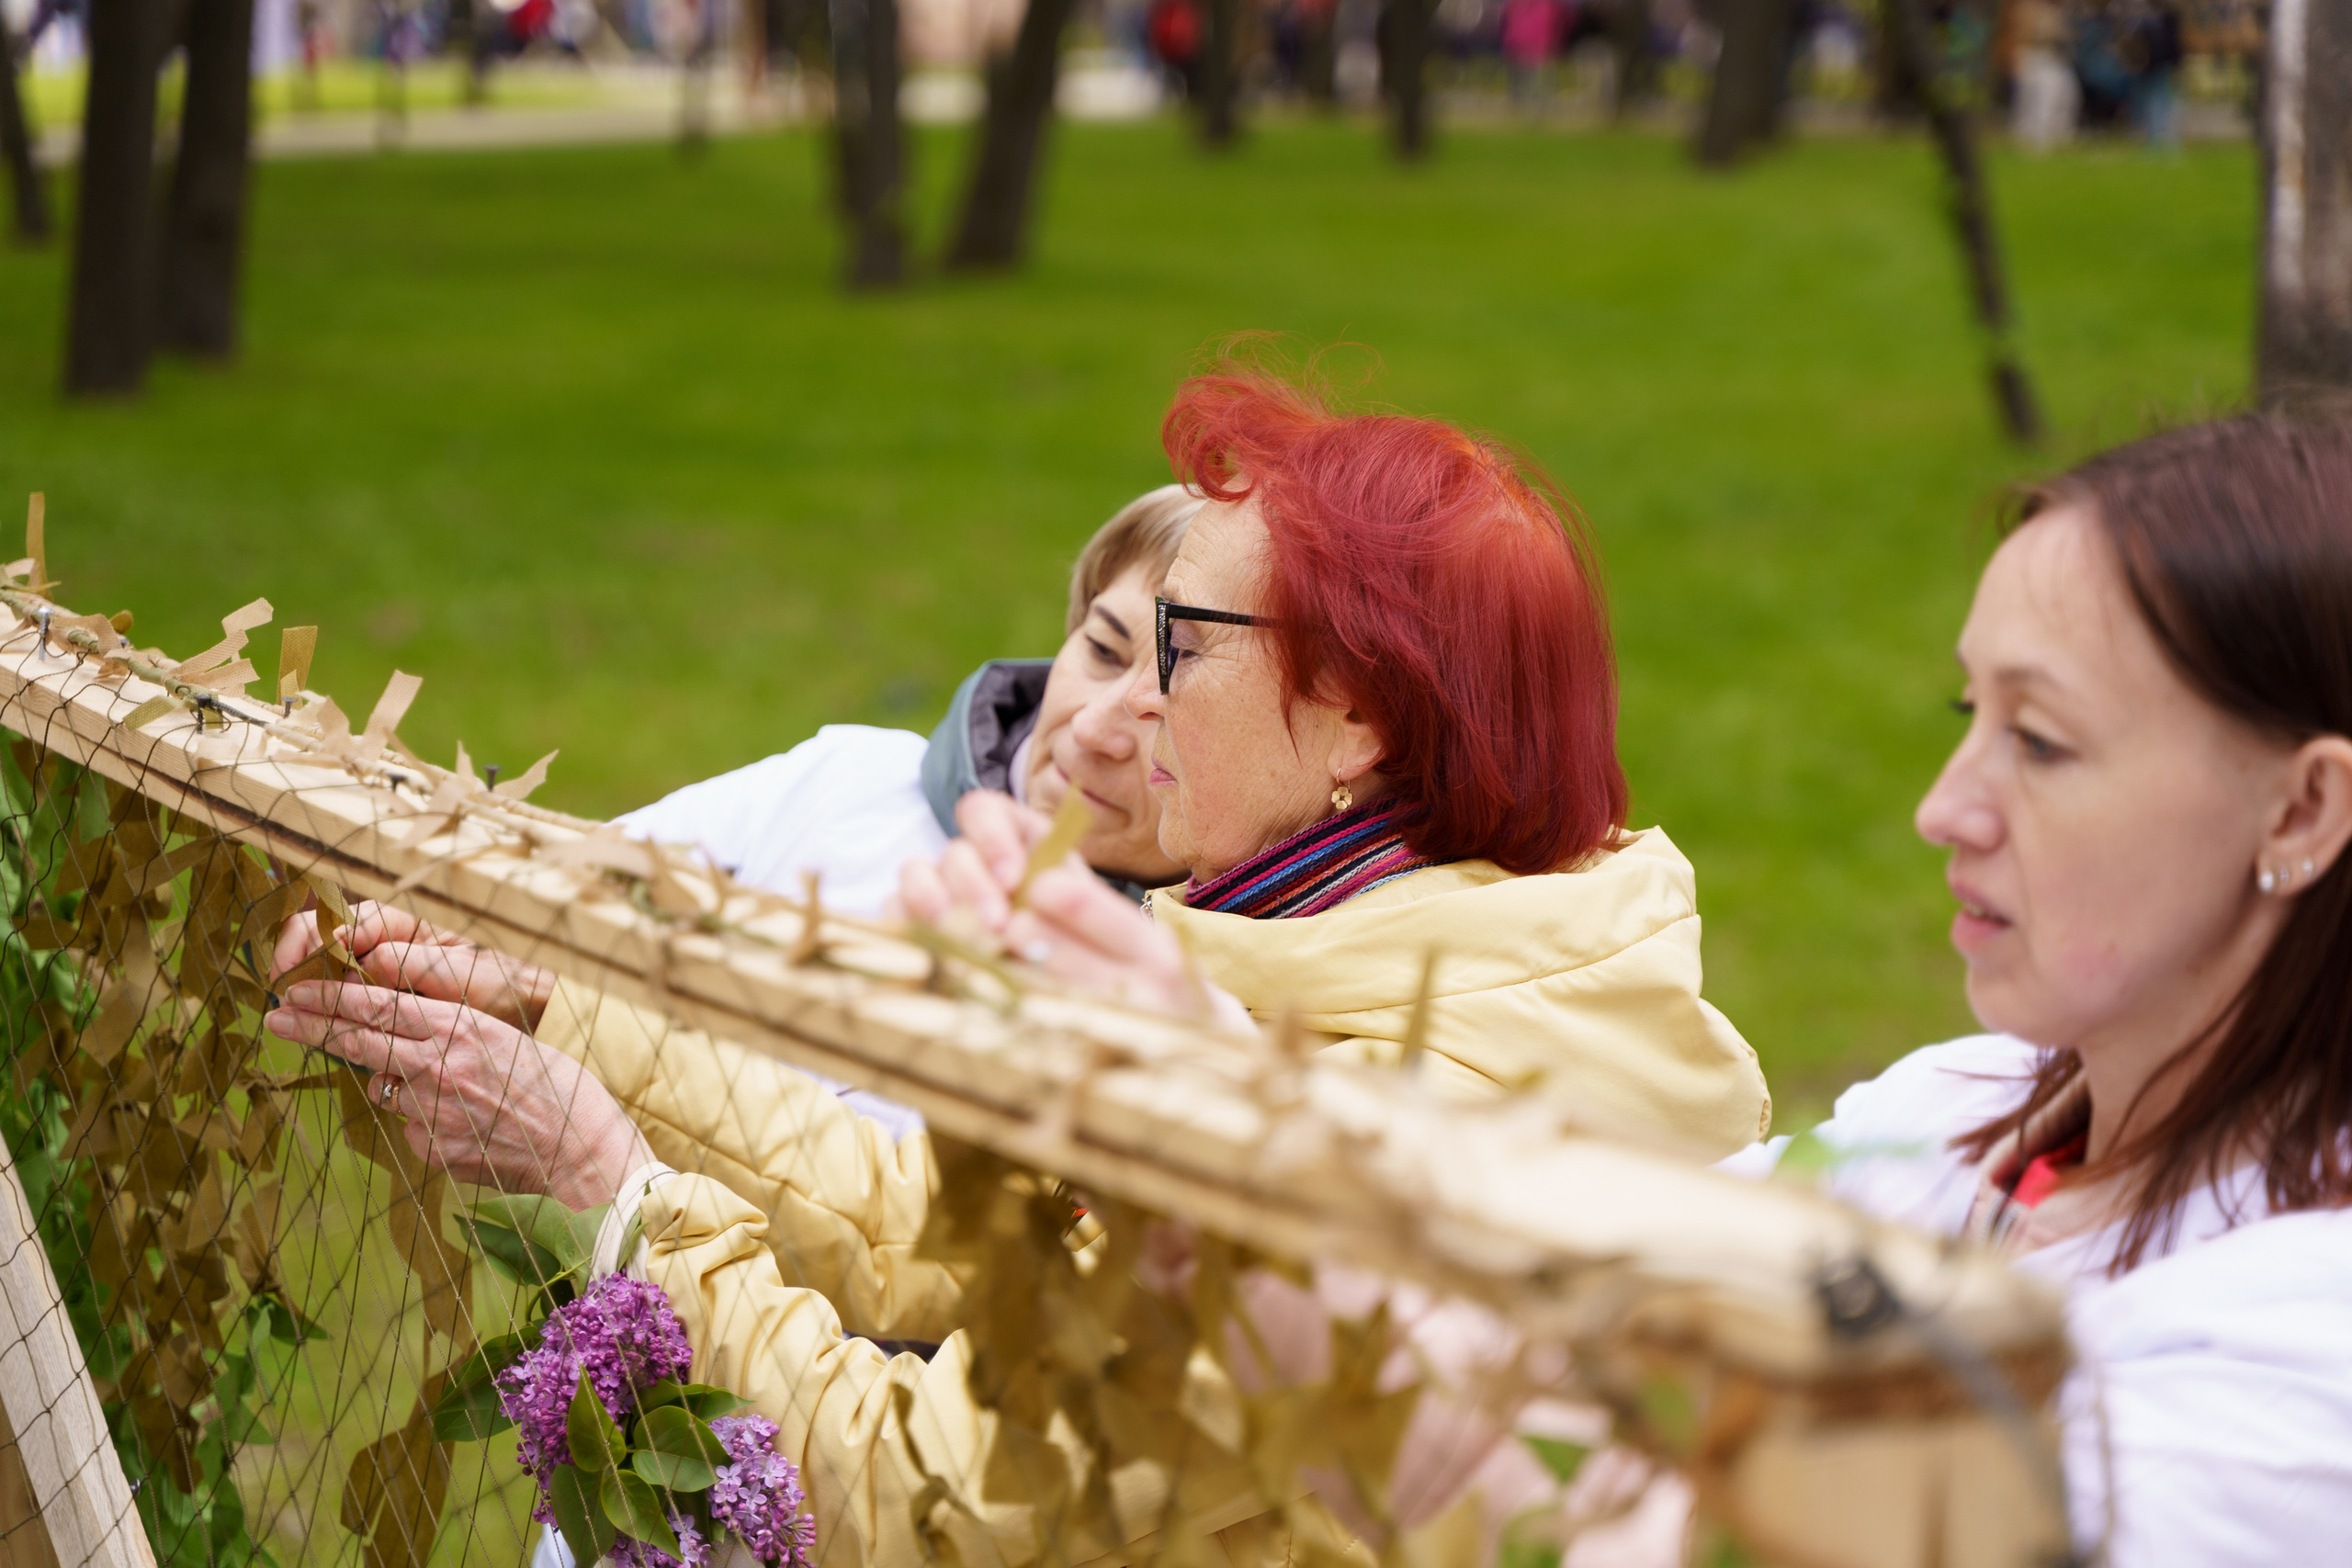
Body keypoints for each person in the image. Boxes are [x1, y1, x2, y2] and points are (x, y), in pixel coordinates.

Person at [264, 367, 1770, 1567]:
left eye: (1182, 640)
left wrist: (611, 1196)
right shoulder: (1408, 959)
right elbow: (949, 1218)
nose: (1117, 710)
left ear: (1361, 721)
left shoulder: (1386, 1108)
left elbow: (931, 1501)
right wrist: (558, 1003)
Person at [620, 483, 1199, 919]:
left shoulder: (1225, 1003)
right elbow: (551, 902)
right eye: (1101, 649)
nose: (1095, 729)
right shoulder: (843, 781)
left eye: (1169, 706)